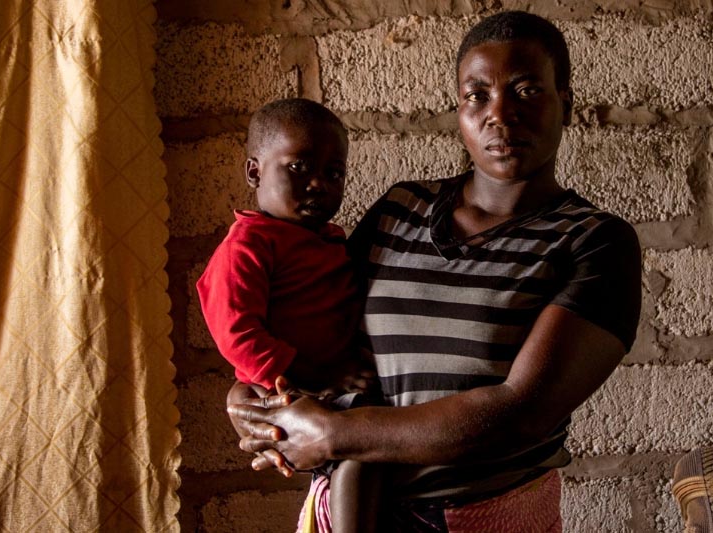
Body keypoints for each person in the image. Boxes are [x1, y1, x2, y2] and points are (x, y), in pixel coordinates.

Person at [226, 11, 643, 532]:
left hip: (486, 517)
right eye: (478, 95)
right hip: (353, 510)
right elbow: (315, 322)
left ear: (568, 105)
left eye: (528, 91)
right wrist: (253, 397)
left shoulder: (593, 242)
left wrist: (334, 434)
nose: (501, 114)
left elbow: (518, 412)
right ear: (459, 109)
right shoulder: (401, 209)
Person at [197, 98, 380, 533]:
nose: (318, 184)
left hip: (332, 383)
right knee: (359, 457)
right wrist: (306, 374)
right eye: (299, 168)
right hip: (291, 384)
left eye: (333, 173)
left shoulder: (328, 240)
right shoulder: (249, 245)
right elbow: (235, 332)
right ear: (254, 172)